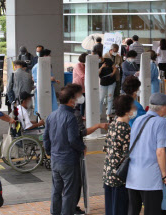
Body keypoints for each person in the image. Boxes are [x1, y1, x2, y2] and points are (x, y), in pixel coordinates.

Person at [126, 93, 166, 215]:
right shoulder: (161, 122)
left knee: (133, 211)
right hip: (150, 178)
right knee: (153, 211)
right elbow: (160, 151)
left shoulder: (138, 120)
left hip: (133, 176)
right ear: (162, 107)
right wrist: (164, 175)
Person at [43, 86, 86, 215]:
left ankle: (54, 212)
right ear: (71, 100)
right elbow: (72, 140)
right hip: (68, 159)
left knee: (56, 190)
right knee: (69, 192)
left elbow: (45, 138)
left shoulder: (51, 116)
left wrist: (50, 152)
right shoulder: (70, 117)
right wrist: (82, 147)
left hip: (55, 159)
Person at [67, 83, 108, 214]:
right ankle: (72, 207)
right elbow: (81, 133)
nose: (82, 96)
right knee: (76, 182)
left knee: (64, 184)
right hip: (73, 152)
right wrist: (98, 126)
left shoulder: (59, 112)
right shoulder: (75, 114)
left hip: (61, 153)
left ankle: (66, 207)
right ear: (74, 97)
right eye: (80, 94)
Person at [103, 95, 136, 215]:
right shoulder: (125, 128)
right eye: (133, 107)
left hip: (108, 172)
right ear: (127, 110)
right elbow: (129, 152)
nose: (134, 110)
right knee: (120, 209)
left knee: (110, 208)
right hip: (120, 176)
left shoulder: (113, 124)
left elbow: (106, 147)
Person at [32, 49, 60, 114]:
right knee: (42, 107)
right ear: (45, 56)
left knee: (49, 106)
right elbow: (36, 79)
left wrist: (54, 80)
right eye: (49, 55)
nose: (50, 57)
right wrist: (49, 79)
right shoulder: (37, 66)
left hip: (49, 88)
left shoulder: (47, 65)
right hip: (42, 88)